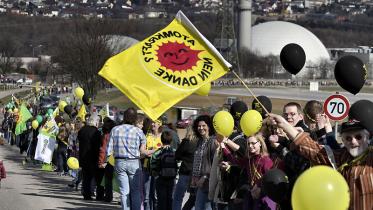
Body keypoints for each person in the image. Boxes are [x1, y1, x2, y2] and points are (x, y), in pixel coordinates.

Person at [269, 114, 373, 210]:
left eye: (358, 137)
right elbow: (312, 149)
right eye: (348, 138)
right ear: (343, 141)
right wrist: (285, 125)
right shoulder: (341, 157)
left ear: (367, 137)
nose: (353, 142)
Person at [219, 134, 276, 210]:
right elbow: (234, 160)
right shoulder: (249, 159)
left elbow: (269, 178)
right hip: (252, 194)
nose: (250, 146)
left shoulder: (266, 160)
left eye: (253, 143)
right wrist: (223, 147)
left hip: (264, 196)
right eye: (248, 144)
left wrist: (258, 186)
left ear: (260, 143)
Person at [106, 107, 148, 210]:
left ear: (124, 117)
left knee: (124, 192)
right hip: (134, 162)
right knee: (135, 191)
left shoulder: (115, 129)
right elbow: (143, 146)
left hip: (120, 162)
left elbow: (109, 150)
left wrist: (108, 160)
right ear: (134, 119)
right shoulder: (138, 131)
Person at [191, 115, 218, 210]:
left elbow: (216, 163)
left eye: (204, 125)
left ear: (209, 127)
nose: (201, 128)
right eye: (199, 126)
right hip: (199, 182)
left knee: (205, 207)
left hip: (208, 182)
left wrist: (205, 177)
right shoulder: (200, 142)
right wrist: (194, 177)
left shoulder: (213, 142)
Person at [150, 131, 178, 210]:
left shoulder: (157, 152)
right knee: (170, 199)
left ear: (161, 140)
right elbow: (178, 164)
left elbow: (152, 164)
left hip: (160, 178)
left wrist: (156, 175)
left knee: (161, 200)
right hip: (172, 179)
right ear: (171, 140)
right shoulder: (175, 151)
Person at [172, 124, 198, 210]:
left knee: (178, 197)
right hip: (196, 173)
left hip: (185, 172)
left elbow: (177, 155)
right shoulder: (200, 143)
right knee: (193, 198)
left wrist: (183, 158)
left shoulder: (186, 142)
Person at [78, 118, 102, 200]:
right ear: (95, 123)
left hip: (83, 156)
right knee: (94, 177)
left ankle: (86, 194)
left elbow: (79, 140)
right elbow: (98, 146)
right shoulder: (97, 132)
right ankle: (94, 193)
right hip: (93, 157)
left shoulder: (82, 130)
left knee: (85, 177)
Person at [97, 117, 116, 202]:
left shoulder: (105, 136)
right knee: (109, 179)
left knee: (103, 179)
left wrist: (101, 161)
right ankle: (109, 195)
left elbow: (103, 149)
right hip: (113, 160)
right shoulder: (114, 135)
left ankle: (104, 196)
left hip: (106, 160)